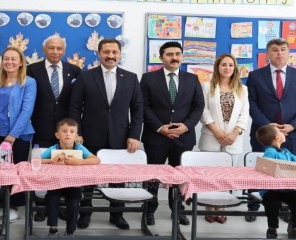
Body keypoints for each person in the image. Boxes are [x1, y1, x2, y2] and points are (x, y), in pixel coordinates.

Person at [69, 38, 143, 230]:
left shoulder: (131, 78)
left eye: (114, 52)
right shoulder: (86, 76)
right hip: (90, 135)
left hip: (120, 135)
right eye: (106, 52)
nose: (110, 56)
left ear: (119, 54)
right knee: (88, 178)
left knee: (118, 178)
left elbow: (137, 109)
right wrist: (77, 132)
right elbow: (75, 107)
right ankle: (85, 213)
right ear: (98, 54)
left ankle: (117, 214)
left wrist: (134, 135)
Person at [245, 38, 296, 220]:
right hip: (263, 132)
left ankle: (285, 208)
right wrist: (268, 126)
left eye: (283, 49)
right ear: (267, 54)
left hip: (291, 132)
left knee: (288, 170)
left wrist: (293, 125)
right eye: (274, 50)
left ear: (289, 53)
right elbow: (252, 104)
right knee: (259, 169)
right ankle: (253, 205)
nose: (279, 53)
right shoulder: (255, 76)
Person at [140, 41, 203, 226]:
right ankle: (149, 209)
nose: (174, 57)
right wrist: (160, 128)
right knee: (153, 175)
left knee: (179, 176)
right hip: (156, 136)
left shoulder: (192, 79)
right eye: (169, 54)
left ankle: (177, 209)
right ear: (161, 57)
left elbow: (198, 106)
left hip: (184, 137)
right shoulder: (148, 78)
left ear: (182, 56)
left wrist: (186, 126)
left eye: (178, 54)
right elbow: (143, 106)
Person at [25, 34, 81, 222]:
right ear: (44, 50)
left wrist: (76, 131)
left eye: (59, 48)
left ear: (64, 51)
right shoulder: (32, 70)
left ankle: (62, 206)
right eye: (51, 48)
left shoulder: (75, 71)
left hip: (66, 131)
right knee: (43, 167)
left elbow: (77, 102)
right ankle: (42, 206)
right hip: (40, 127)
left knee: (65, 167)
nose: (55, 51)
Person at [198, 54, 250, 223]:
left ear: (235, 68)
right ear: (217, 67)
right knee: (210, 174)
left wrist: (235, 133)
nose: (227, 68)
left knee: (226, 175)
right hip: (211, 136)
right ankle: (210, 206)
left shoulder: (242, 89)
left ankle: (221, 207)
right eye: (224, 65)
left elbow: (244, 114)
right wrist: (216, 131)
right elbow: (203, 111)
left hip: (233, 138)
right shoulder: (206, 86)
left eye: (230, 65)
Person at [0, 46, 37, 223]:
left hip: (18, 135)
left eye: (13, 58)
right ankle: (4, 205)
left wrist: (13, 134)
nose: (9, 62)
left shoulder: (28, 82)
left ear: (21, 62)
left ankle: (14, 206)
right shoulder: (0, 81)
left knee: (16, 170)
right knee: (2, 170)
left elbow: (26, 110)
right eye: (6, 58)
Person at [40, 118, 101, 240]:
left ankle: (70, 232)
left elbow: (96, 159)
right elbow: (36, 160)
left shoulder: (79, 148)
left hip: (74, 185)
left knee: (74, 202)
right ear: (57, 135)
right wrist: (51, 160)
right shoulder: (53, 148)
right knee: (51, 199)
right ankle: (53, 230)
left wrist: (79, 162)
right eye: (64, 131)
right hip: (55, 184)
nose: (68, 134)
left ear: (76, 135)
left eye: (72, 132)